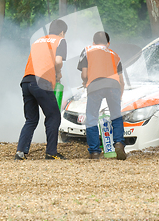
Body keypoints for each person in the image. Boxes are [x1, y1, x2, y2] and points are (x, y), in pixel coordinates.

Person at [15, 19, 68, 160]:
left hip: (27, 81)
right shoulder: (60, 40)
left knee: (31, 119)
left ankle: (20, 152)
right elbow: (58, 61)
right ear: (62, 32)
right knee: (53, 116)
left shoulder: (38, 41)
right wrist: (58, 73)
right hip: (41, 82)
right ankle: (51, 153)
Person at [78, 31, 126, 160]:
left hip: (95, 86)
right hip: (114, 86)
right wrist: (119, 96)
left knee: (92, 117)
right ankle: (119, 144)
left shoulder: (87, 50)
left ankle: (94, 151)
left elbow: (84, 74)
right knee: (116, 116)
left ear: (93, 42)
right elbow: (122, 80)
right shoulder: (115, 55)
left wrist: (85, 81)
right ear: (108, 43)